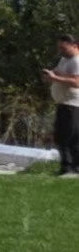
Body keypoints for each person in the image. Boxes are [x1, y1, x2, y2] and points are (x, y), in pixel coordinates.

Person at [47, 36, 79, 173]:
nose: (61, 51)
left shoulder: (77, 61)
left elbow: (76, 82)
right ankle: (66, 166)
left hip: (73, 104)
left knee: (69, 136)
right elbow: (60, 73)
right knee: (61, 135)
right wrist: (50, 74)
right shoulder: (64, 60)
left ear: (75, 45)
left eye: (64, 48)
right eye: (59, 47)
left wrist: (55, 78)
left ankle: (70, 167)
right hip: (63, 102)